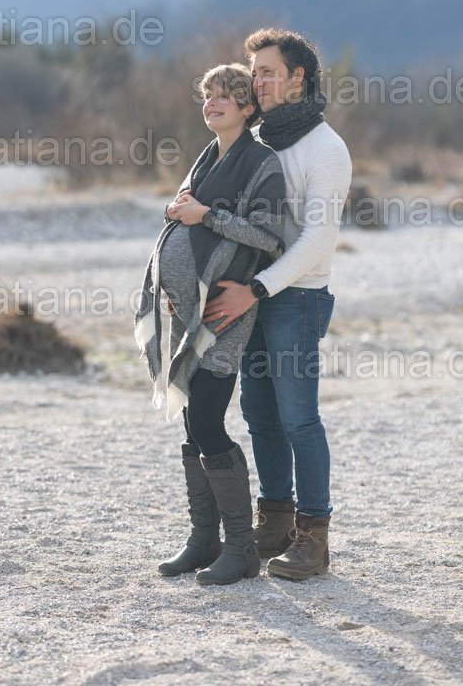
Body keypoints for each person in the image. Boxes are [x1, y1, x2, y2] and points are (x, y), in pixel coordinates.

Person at [202, 29, 352, 581]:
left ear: (297, 78)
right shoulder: (256, 139)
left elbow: (317, 240)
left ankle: (314, 538)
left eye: (268, 72)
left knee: (299, 418)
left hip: (297, 298)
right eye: (255, 72)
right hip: (250, 295)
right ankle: (275, 521)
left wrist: (258, 288)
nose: (258, 81)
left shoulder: (326, 149)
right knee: (259, 414)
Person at [134, 62, 286, 586]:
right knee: (189, 421)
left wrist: (206, 216)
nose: (212, 103)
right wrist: (174, 283)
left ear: (248, 107)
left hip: (224, 312)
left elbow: (269, 237)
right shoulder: (205, 159)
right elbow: (186, 221)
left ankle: (241, 548)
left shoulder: (262, 163)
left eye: (224, 95)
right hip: (188, 312)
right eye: (207, 95)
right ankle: (204, 539)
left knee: (206, 421)